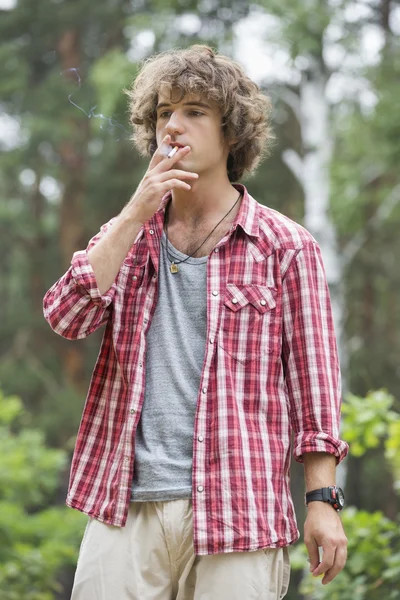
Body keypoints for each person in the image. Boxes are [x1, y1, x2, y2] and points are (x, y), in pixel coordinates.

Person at [43, 44, 348, 600]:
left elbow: (316, 387)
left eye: (194, 112)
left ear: (230, 131)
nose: (173, 127)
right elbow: (65, 317)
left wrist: (322, 502)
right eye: (163, 113)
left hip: (241, 509)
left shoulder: (286, 246)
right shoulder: (128, 235)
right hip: (124, 505)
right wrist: (135, 214)